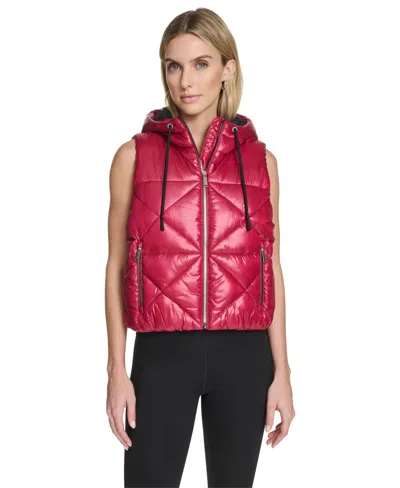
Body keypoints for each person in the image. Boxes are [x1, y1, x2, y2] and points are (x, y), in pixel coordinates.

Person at [105, 7, 295, 488]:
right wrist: (116, 371)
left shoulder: (262, 162)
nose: (185, 81)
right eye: (174, 66)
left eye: (201, 64)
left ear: (228, 68)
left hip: (245, 358)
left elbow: (270, 266)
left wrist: (283, 373)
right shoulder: (133, 156)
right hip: (162, 355)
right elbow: (115, 265)